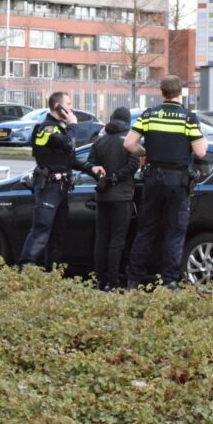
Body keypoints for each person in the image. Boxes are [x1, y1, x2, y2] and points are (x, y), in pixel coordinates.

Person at [124, 75, 207, 289]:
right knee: (175, 232)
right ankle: (169, 281)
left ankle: (134, 280)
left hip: (153, 179)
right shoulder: (188, 118)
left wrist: (145, 153)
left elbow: (129, 144)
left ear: (162, 92)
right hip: (177, 181)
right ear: (181, 92)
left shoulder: (149, 115)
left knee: (146, 230)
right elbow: (200, 152)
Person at [17, 92, 104, 271]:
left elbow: (70, 160)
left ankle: (52, 273)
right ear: (58, 107)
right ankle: (24, 269)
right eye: (69, 104)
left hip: (61, 188)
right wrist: (73, 125)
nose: (72, 108)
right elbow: (68, 144)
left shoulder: (60, 128)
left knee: (58, 234)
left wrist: (91, 168)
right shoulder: (46, 129)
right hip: (49, 187)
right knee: (41, 229)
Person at [87, 106, 140, 290]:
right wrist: (116, 177)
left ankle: (99, 280)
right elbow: (134, 165)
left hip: (102, 196)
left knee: (101, 239)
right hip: (122, 197)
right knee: (117, 241)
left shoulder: (100, 140)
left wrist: (103, 178)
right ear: (127, 121)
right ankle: (114, 281)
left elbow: (90, 164)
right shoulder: (130, 141)